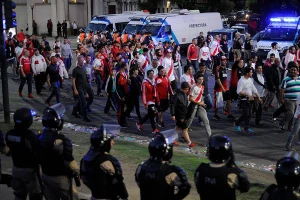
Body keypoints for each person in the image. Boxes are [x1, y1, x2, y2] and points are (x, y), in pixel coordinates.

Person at [38, 104, 80, 200]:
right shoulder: (61, 140)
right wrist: (76, 172)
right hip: (59, 178)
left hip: (45, 175)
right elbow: (69, 161)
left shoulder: (39, 137)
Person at [135, 132, 191, 200]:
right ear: (166, 152)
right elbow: (185, 189)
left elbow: (139, 184)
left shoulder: (141, 168)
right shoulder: (171, 172)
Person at [194, 134, 250, 200]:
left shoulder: (200, 170)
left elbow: (199, 188)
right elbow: (245, 188)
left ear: (210, 151)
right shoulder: (232, 172)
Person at [81, 124, 129, 200]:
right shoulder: (108, 160)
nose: (113, 142)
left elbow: (84, 178)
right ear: (105, 143)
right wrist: (124, 196)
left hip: (95, 196)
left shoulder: (86, 158)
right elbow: (118, 182)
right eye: (111, 140)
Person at [5, 108, 43, 200]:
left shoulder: (9, 134)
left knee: (19, 195)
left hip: (16, 168)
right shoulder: (30, 136)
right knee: (36, 195)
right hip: (29, 171)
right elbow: (39, 152)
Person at [234, 67, 262, 133]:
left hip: (250, 100)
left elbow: (253, 88)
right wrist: (247, 94)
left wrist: (259, 97)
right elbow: (238, 91)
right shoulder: (241, 81)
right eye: (251, 72)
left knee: (249, 114)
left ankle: (246, 128)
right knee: (245, 114)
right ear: (247, 73)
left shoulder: (250, 80)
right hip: (243, 100)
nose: (252, 73)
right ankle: (237, 123)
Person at [170, 82, 196, 148]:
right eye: (186, 89)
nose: (187, 91)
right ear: (182, 88)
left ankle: (171, 140)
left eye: (188, 89)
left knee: (177, 128)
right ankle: (189, 143)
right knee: (185, 128)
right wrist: (173, 114)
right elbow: (173, 105)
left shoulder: (185, 93)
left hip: (183, 113)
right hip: (179, 115)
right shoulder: (177, 96)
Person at [186, 73, 212, 137]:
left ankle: (210, 137)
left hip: (200, 106)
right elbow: (190, 98)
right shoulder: (194, 88)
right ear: (196, 79)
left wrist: (202, 102)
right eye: (199, 79)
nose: (201, 81)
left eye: (202, 79)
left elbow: (201, 96)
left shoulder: (202, 87)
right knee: (190, 120)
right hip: (193, 106)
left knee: (206, 121)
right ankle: (184, 136)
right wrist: (199, 103)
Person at [136, 70, 159, 134]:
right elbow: (143, 93)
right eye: (151, 74)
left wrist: (157, 99)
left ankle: (140, 123)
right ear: (148, 75)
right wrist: (145, 103)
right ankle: (154, 129)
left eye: (153, 73)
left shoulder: (153, 82)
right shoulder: (145, 83)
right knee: (153, 113)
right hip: (148, 101)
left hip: (153, 100)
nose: (152, 75)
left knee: (150, 114)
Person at [72, 55, 94, 122]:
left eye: (82, 61)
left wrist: (89, 79)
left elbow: (86, 77)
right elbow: (73, 80)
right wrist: (75, 89)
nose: (82, 62)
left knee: (92, 95)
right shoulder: (75, 70)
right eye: (81, 61)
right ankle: (84, 117)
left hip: (86, 86)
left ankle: (75, 111)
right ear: (78, 61)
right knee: (83, 101)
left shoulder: (84, 68)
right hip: (79, 88)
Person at [279, 64, 300, 132]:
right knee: (290, 113)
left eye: (295, 70)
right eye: (292, 70)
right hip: (289, 100)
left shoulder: (299, 79)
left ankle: (290, 127)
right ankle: (282, 123)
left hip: (297, 100)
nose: (293, 71)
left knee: (294, 114)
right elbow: (282, 89)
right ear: (290, 70)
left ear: (297, 71)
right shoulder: (286, 79)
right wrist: (282, 99)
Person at [214, 56, 236, 120]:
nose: (225, 61)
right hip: (219, 88)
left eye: (226, 60)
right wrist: (222, 87)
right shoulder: (218, 68)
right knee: (217, 103)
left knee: (229, 101)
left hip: (226, 88)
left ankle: (229, 114)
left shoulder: (225, 68)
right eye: (223, 60)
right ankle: (215, 115)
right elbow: (217, 79)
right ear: (221, 61)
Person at [116, 62, 130, 127]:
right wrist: (121, 96)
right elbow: (117, 86)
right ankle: (120, 122)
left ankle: (123, 119)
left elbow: (126, 84)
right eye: (127, 65)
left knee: (128, 107)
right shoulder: (118, 74)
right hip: (121, 94)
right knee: (121, 109)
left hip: (126, 93)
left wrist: (128, 82)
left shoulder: (126, 74)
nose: (127, 67)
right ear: (124, 66)